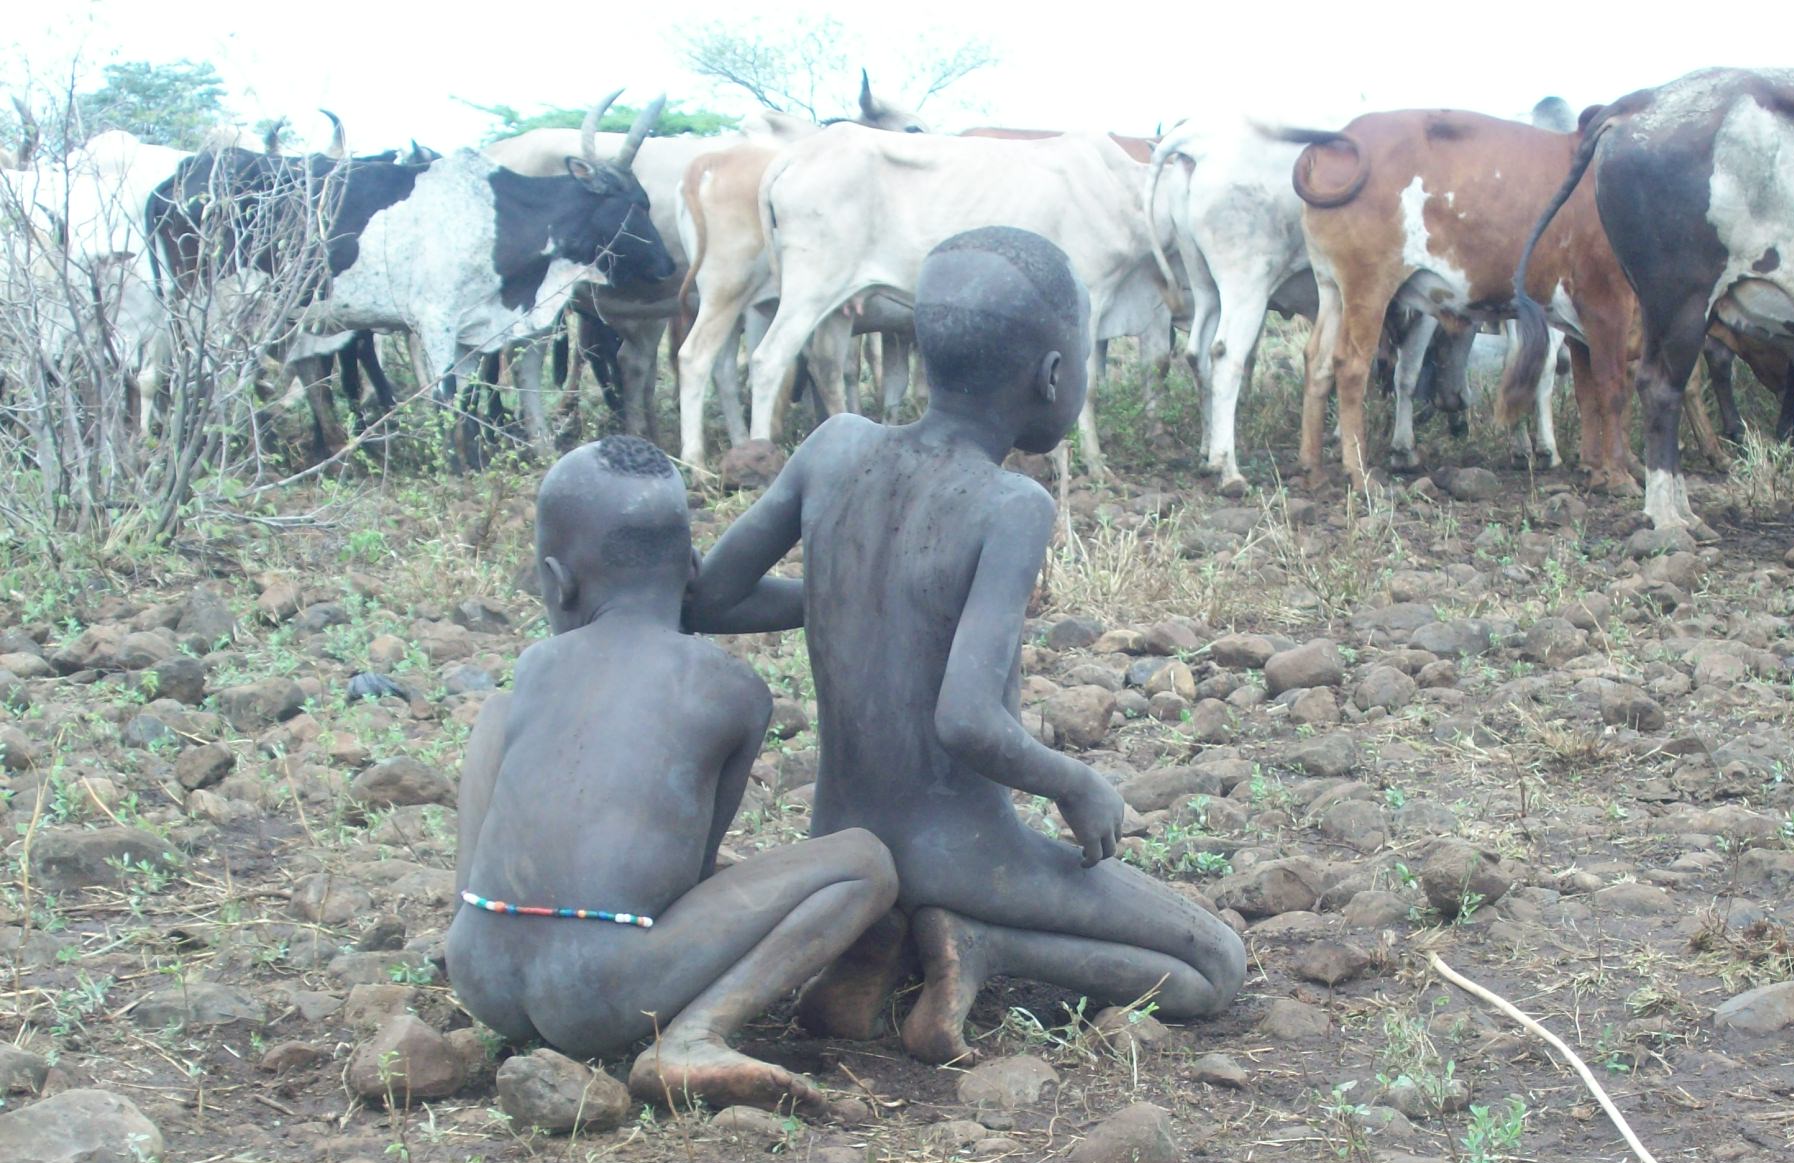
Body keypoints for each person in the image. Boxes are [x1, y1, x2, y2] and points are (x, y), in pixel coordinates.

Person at [689, 227, 1244, 1066]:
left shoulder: (834, 445)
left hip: (841, 844)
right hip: (965, 858)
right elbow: (968, 720)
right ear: (1055, 376)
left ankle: (885, 942)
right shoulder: (1008, 503)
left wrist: (863, 599)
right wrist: (1074, 781)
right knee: (1212, 967)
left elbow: (709, 596)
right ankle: (985, 946)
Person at [445, 434, 898, 1111]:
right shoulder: (734, 689)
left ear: (557, 580)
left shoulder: (536, 667)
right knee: (866, 862)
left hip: (478, 974)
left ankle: (461, 920)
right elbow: (687, 873)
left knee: (497, 714)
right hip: (605, 997)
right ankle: (694, 1036)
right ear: (691, 568)